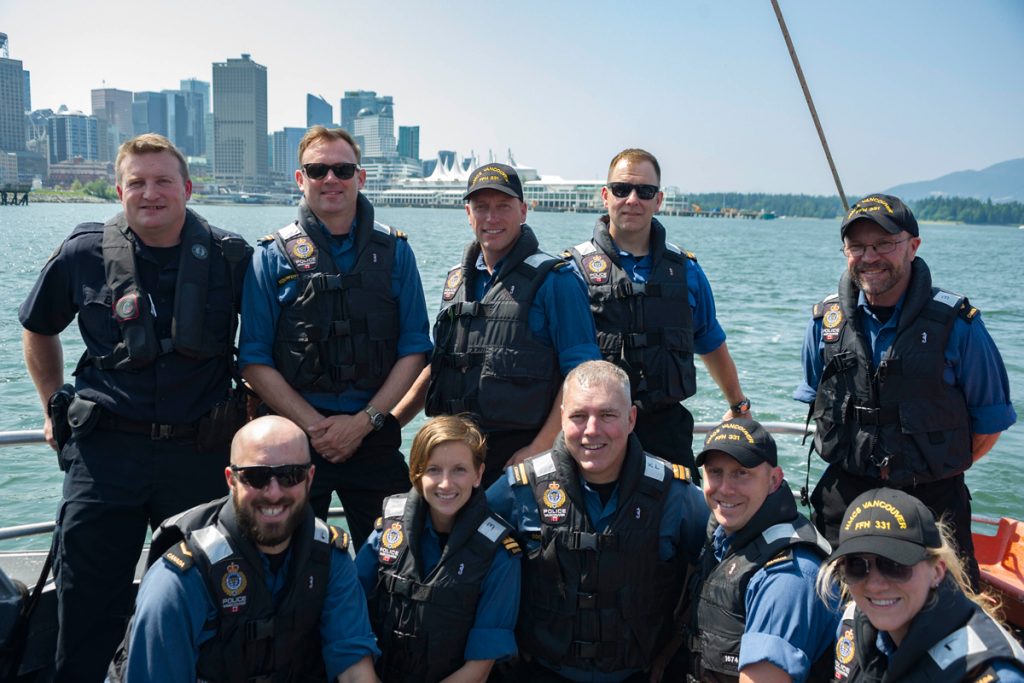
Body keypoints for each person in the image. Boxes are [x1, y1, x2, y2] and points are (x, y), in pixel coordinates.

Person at [19, 133, 251, 682]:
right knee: (85, 607)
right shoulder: (83, 253)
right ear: (120, 190)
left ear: (187, 189)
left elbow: (263, 350)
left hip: (200, 454)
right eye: (138, 183)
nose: (151, 193)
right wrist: (53, 401)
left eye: (163, 181)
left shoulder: (231, 257)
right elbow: (37, 327)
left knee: (209, 597)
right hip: (105, 458)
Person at [794, 193, 1016, 586]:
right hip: (845, 496)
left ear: (913, 246)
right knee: (837, 614)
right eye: (857, 246)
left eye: (883, 244)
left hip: (932, 502)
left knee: (946, 616)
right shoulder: (825, 324)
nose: (869, 256)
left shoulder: (957, 325)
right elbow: (817, 400)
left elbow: (989, 423)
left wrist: (930, 464)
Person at [240, 125, 432, 548]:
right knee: (285, 562)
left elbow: (415, 348)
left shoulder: (396, 252)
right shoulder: (270, 255)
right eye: (318, 169)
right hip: (294, 443)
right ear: (300, 178)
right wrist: (315, 428)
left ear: (360, 178)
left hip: (374, 436)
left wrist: (363, 424)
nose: (331, 179)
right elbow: (253, 358)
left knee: (401, 555)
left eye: (343, 170)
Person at [109, 415, 379, 682]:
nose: (273, 492)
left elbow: (355, 674)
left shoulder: (329, 559)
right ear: (231, 479)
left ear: (309, 479)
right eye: (256, 477)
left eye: (290, 475)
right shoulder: (179, 581)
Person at [486, 360, 709, 682]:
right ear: (562, 418)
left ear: (631, 418)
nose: (592, 430)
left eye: (608, 415)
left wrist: (677, 645)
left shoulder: (674, 493)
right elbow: (469, 554)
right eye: (578, 416)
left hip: (643, 673)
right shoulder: (519, 488)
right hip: (540, 670)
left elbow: (720, 560)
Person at [395, 163, 600, 487]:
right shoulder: (456, 282)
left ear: (523, 210)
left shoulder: (556, 281)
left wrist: (538, 449)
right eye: (481, 207)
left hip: (521, 455)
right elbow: (440, 366)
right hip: (455, 458)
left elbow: (582, 376)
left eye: (503, 207)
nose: (491, 218)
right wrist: (391, 423)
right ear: (467, 213)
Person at [565, 149, 750, 482]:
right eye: (622, 189)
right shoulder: (573, 272)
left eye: (645, 192)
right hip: (596, 431)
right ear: (605, 196)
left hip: (666, 429)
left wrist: (739, 406)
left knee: (682, 525)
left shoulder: (687, 272)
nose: (632, 199)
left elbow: (710, 342)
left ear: (659, 200)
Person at [356, 415, 522, 682]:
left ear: (478, 475)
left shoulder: (499, 555)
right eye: (433, 470)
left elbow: (477, 671)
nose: (446, 484)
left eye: (459, 470)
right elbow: (350, 620)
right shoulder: (387, 534)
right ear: (417, 473)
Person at [817, 487, 1024, 682]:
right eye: (856, 566)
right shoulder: (852, 624)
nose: (875, 585)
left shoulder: (990, 673)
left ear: (937, 571)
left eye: (894, 564)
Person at [686, 418, 837, 683]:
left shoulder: (787, 578)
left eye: (741, 473)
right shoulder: (724, 539)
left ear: (774, 480)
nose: (724, 489)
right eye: (715, 472)